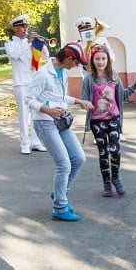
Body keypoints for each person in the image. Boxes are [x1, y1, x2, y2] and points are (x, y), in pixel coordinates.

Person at [26, 42, 95, 220]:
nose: (77, 66)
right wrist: (47, 110)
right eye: (77, 62)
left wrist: (80, 101)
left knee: (79, 158)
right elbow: (28, 99)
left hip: (60, 121)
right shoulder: (42, 75)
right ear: (69, 59)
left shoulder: (63, 72)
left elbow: (60, 97)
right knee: (64, 163)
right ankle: (60, 207)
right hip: (44, 123)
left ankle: (59, 193)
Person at [80, 45, 136, 197]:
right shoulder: (88, 79)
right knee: (103, 152)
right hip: (97, 121)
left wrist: (135, 85)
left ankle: (116, 178)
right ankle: (106, 182)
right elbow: (85, 99)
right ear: (92, 60)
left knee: (115, 149)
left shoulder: (114, 76)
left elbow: (123, 95)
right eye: (97, 58)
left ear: (108, 59)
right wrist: (85, 104)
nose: (101, 62)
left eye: (103, 58)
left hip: (113, 118)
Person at [5, 14, 48, 154]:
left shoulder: (32, 42)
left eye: (26, 26)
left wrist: (41, 42)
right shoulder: (10, 44)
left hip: (34, 81)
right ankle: (25, 143)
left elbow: (46, 56)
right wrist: (28, 42)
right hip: (21, 83)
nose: (25, 29)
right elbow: (15, 55)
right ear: (15, 28)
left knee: (36, 112)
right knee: (23, 114)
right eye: (22, 26)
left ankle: (36, 142)